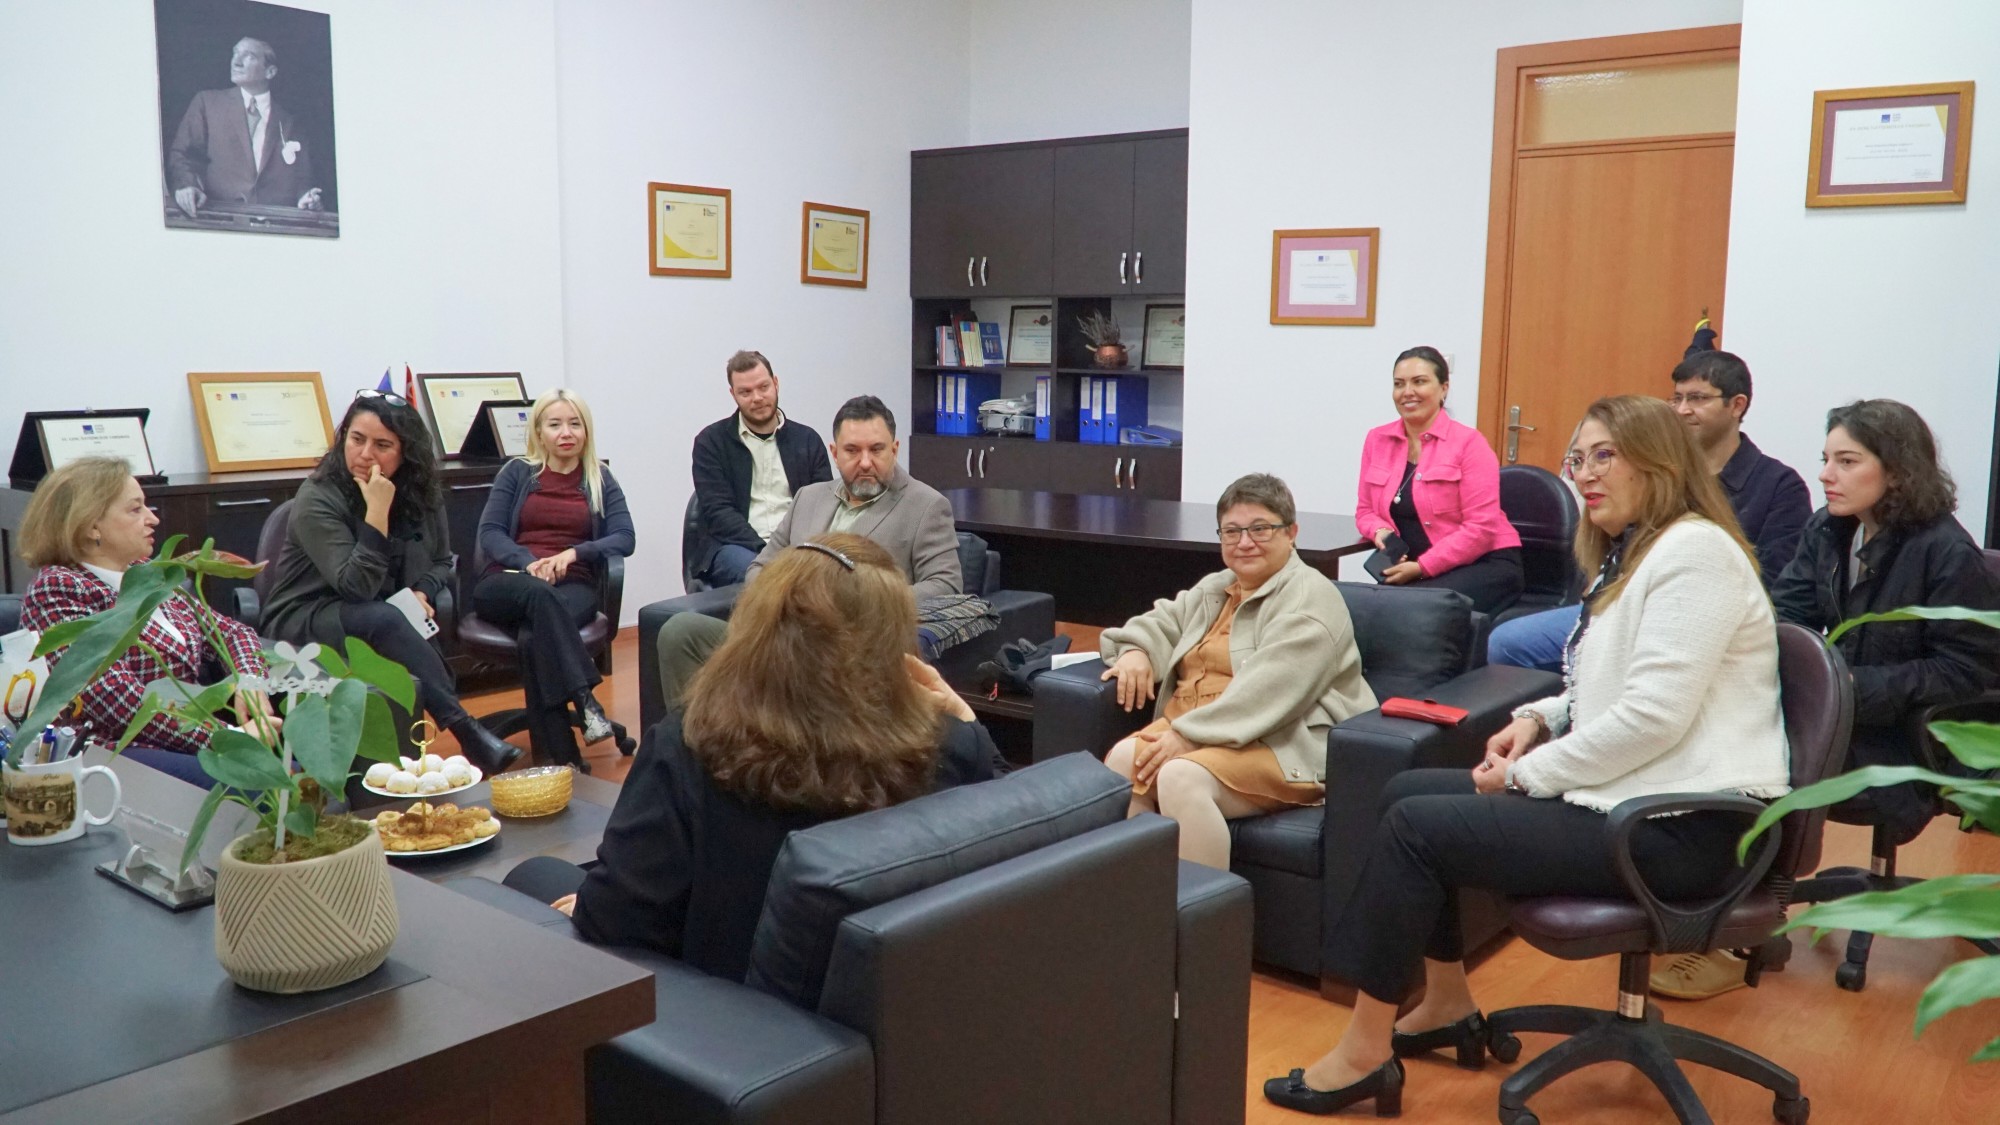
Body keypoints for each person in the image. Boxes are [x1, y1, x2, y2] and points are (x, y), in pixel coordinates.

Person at [1267, 395, 1788, 1116]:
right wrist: (1541, 717)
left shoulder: (1694, 553)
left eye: (1604, 455)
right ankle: (1446, 1002)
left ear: (1661, 461)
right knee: (1404, 792)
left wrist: (1525, 775)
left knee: (1417, 828)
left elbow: (1652, 718)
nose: (1585, 474)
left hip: (1687, 825)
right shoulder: (1641, 551)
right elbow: (1614, 681)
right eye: (1578, 458)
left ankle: (1363, 1052)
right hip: (1643, 798)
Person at [1655, 399, 2000, 1001]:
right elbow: (1783, 620)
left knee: (1766, 771)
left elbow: (1964, 673)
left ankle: (1743, 939)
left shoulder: (1946, 550)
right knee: (1723, 741)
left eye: (1846, 461)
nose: (1825, 475)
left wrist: (1846, 688)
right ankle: (1707, 914)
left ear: (1897, 470)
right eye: (1826, 459)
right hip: (1838, 717)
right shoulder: (1828, 529)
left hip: (1910, 741)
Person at [560, 534, 996, 981]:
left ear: (755, 630)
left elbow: (617, 921)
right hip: (897, 996)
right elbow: (1018, 833)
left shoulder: (690, 746)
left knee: (543, 877)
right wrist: (969, 725)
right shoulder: (952, 748)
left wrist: (588, 905)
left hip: (723, 1009)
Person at [1100, 474, 1374, 869]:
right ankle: (1143, 898)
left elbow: (1269, 690)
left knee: (1180, 777)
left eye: (1260, 529)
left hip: (1283, 740)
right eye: (1232, 531)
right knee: (1122, 764)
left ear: (1291, 533)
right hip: (1206, 728)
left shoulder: (1309, 599)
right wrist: (1137, 652)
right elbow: (1162, 621)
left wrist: (1188, 736)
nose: (1244, 542)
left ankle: (1202, 905)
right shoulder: (1219, 586)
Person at [1488, 349, 1812, 673]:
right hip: (1630, 602)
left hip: (1699, 614)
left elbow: (1774, 587)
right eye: (1677, 398)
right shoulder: (1643, 485)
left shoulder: (1778, 486)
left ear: (1737, 405)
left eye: (1697, 398)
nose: (1682, 410)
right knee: (1509, 640)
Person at [262, 390, 521, 774]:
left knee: (393, 620)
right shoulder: (318, 495)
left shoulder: (420, 491)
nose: (365, 454)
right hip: (304, 616)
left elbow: (442, 560)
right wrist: (378, 511)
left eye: (382, 445)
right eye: (356, 439)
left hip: (381, 611)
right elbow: (356, 587)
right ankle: (466, 730)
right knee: (384, 618)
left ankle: (432, 748)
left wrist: (422, 590)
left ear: (405, 453)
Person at [656, 394, 960, 709]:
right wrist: (781, 603)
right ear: (835, 453)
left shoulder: (925, 506)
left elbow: (946, 586)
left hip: (847, 649)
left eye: (876, 449)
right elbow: (760, 567)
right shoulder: (808, 498)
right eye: (852, 451)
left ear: (894, 450)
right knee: (680, 632)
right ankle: (692, 740)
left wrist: (861, 602)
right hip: (780, 636)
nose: (865, 462)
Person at [18, 458, 278, 787]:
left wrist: (250, 681)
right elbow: (117, 702)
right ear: (92, 526)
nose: (153, 518)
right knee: (272, 789)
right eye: (135, 509)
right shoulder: (59, 589)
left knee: (301, 772)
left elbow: (233, 633)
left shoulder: (146, 573)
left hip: (190, 739)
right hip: (118, 755)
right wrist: (228, 738)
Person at [472, 389, 634, 771]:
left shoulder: (600, 479)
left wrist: (575, 553)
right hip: (510, 580)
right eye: (555, 424)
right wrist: (529, 562)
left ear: (586, 431)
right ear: (539, 432)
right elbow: (491, 533)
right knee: (539, 595)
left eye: (575, 424)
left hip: (572, 584)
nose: (566, 432)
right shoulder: (517, 473)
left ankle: (561, 757)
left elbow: (625, 537)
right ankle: (585, 699)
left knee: (535, 637)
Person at [1355, 347, 1523, 616]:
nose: (1407, 392)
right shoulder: (1377, 440)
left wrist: (1423, 567)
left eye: (1419, 381)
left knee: (1412, 611)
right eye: (1399, 384)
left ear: (1444, 388)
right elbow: (1365, 511)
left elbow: (1480, 529)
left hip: (1483, 564)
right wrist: (1381, 532)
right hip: (1413, 568)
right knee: (1365, 608)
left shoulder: (1470, 444)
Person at [689, 351, 832, 587]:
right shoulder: (710, 442)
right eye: (745, 392)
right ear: (733, 394)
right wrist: (768, 552)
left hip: (799, 547)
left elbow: (822, 507)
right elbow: (719, 513)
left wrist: (794, 551)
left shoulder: (807, 440)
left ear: (775, 383)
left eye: (763, 387)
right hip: (736, 547)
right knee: (766, 576)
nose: (757, 398)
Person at [166, 37, 322, 217]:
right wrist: (187, 185)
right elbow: (183, 155)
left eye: (249, 56)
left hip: (276, 222)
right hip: (218, 219)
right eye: (235, 53)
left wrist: (305, 198)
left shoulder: (290, 121)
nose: (236, 62)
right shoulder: (207, 103)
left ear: (270, 72)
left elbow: (301, 177)